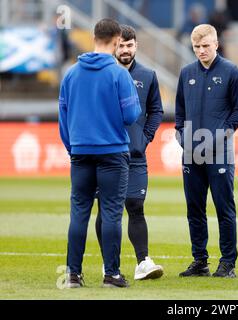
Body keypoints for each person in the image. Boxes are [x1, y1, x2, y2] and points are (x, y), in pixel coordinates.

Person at [59, 18, 141, 289]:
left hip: (81, 152)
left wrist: (74, 148)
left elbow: (63, 118)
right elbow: (131, 116)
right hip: (112, 153)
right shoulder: (119, 74)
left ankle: (73, 274)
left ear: (94, 38)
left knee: (79, 212)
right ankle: (112, 274)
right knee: (111, 213)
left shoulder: (70, 74)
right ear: (117, 41)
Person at [175, 24, 238, 278]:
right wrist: (182, 136)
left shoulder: (231, 71)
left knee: (223, 208)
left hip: (219, 153)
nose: (201, 51)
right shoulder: (186, 73)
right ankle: (200, 261)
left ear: (216, 44)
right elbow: (180, 112)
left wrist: (221, 135)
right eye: (197, 47)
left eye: (206, 45)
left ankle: (228, 263)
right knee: (194, 208)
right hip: (191, 154)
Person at [95, 25, 164, 281]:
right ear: (114, 45)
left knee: (135, 206)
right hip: (107, 153)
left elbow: (156, 110)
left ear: (136, 45)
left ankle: (143, 262)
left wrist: (145, 137)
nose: (125, 50)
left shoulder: (148, 75)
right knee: (106, 209)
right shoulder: (102, 74)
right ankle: (108, 264)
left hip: (135, 156)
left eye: (130, 45)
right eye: (121, 45)